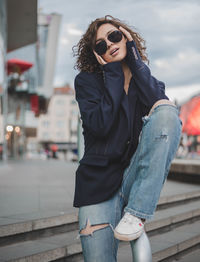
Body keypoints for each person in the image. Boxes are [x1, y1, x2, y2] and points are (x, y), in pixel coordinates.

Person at [72, 15, 182, 262]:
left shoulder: (145, 81)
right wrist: (112, 74)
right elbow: (100, 126)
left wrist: (135, 62)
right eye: (101, 44)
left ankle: (136, 213)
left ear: (126, 37)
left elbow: (164, 117)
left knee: (166, 109)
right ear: (96, 54)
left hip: (133, 178)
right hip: (98, 186)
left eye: (114, 36)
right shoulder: (87, 82)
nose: (110, 44)